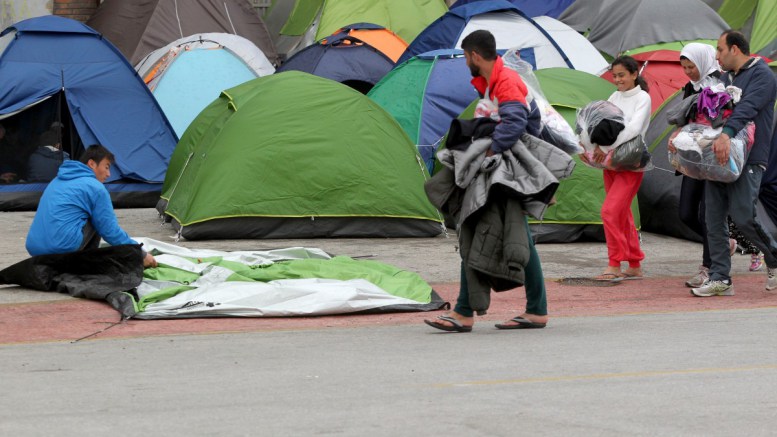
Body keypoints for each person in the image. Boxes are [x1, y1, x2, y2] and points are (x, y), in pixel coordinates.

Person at [424, 30, 547, 332]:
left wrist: (489, 152)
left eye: (466, 56)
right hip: (509, 170)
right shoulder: (494, 82)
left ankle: (465, 312)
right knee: (517, 238)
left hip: (503, 171)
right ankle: (537, 310)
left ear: (475, 55)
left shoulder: (504, 81)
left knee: (475, 229)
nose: (466, 61)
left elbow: (515, 121)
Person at [691, 30, 777, 297]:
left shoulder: (763, 75)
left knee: (743, 215)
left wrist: (727, 134)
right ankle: (720, 278)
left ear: (735, 49)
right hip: (717, 158)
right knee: (712, 218)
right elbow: (706, 112)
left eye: (720, 50)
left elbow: (747, 107)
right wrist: (684, 133)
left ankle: (773, 257)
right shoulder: (723, 77)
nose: (716, 56)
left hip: (749, 158)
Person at [25, 144, 157, 268]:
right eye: (106, 167)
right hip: (61, 250)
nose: (109, 174)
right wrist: (141, 254)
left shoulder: (57, 180)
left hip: (35, 249)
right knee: (97, 218)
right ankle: (86, 263)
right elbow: (110, 231)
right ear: (92, 163)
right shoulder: (95, 187)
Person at [667, 43, 724, 287]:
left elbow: (722, 121)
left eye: (692, 66)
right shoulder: (691, 87)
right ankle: (726, 243)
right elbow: (686, 118)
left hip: (713, 156)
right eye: (685, 67)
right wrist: (677, 134)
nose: (689, 71)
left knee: (708, 215)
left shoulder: (720, 84)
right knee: (686, 213)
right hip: (693, 158)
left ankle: (708, 268)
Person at [590, 56, 651, 281]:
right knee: (622, 214)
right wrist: (594, 144)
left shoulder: (643, 98)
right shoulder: (614, 95)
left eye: (621, 75)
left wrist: (606, 147)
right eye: (614, 76)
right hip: (612, 164)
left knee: (609, 212)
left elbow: (633, 129)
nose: (617, 80)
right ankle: (634, 264)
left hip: (631, 163)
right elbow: (600, 121)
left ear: (634, 74)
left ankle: (614, 263)